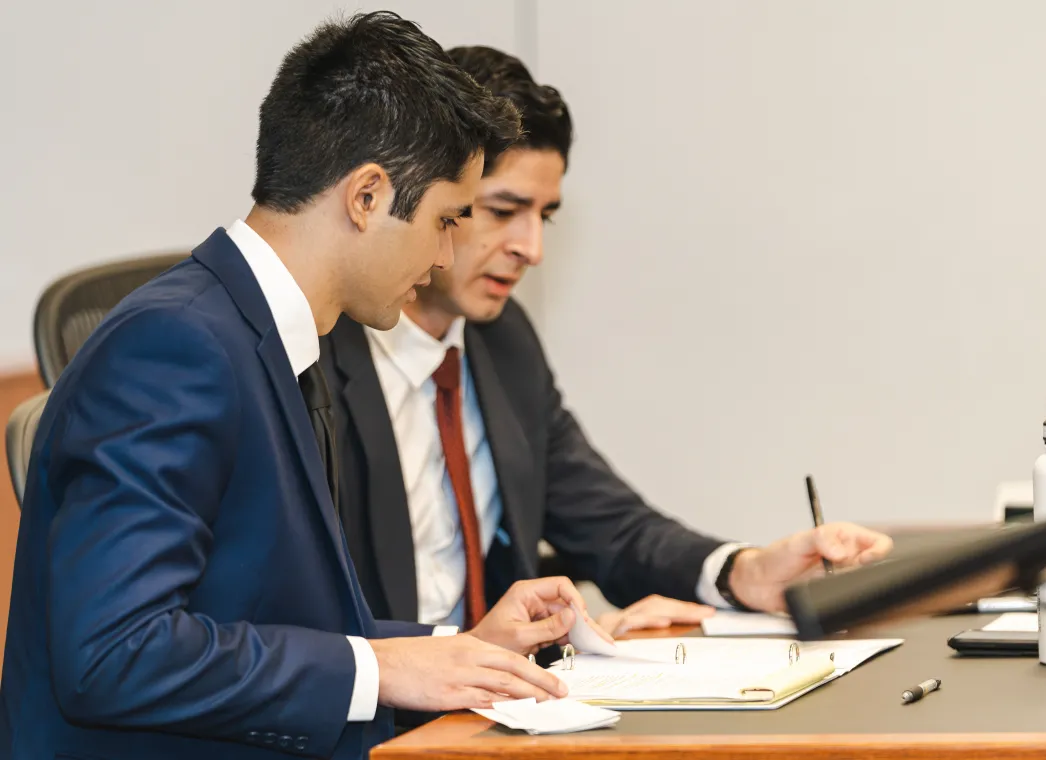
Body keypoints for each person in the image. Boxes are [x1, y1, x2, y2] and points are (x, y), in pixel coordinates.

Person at [0, 17, 615, 760]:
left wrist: (456, 648)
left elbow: (269, 614)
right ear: (366, 197)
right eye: (446, 220)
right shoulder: (175, 348)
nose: (447, 252)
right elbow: (114, 653)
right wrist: (379, 668)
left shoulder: (267, 331)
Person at [320, 46, 894, 641]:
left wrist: (744, 573)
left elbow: (611, 529)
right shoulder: (317, 356)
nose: (531, 249)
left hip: (488, 716)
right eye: (503, 210)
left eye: (546, 216)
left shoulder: (503, 341)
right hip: (372, 718)